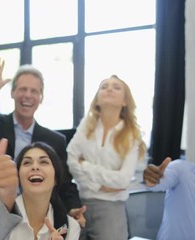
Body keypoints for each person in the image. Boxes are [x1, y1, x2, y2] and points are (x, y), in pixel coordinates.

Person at [0, 57, 84, 230]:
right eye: (22, 89)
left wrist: (73, 207)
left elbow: (64, 183)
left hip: (33, 220)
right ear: (12, 93)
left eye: (34, 91)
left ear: (40, 98)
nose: (28, 95)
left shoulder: (55, 140)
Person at [66, 75, 147, 240]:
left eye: (116, 87)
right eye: (104, 86)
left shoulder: (132, 135)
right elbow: (71, 160)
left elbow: (122, 180)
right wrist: (98, 186)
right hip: (79, 203)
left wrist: (86, 166)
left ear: (125, 101)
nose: (109, 89)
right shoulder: (86, 125)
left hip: (111, 208)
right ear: (97, 100)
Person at [0, 140, 81, 240]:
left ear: (56, 179)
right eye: (27, 163)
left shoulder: (68, 227)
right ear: (19, 177)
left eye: (43, 162)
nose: (35, 167)